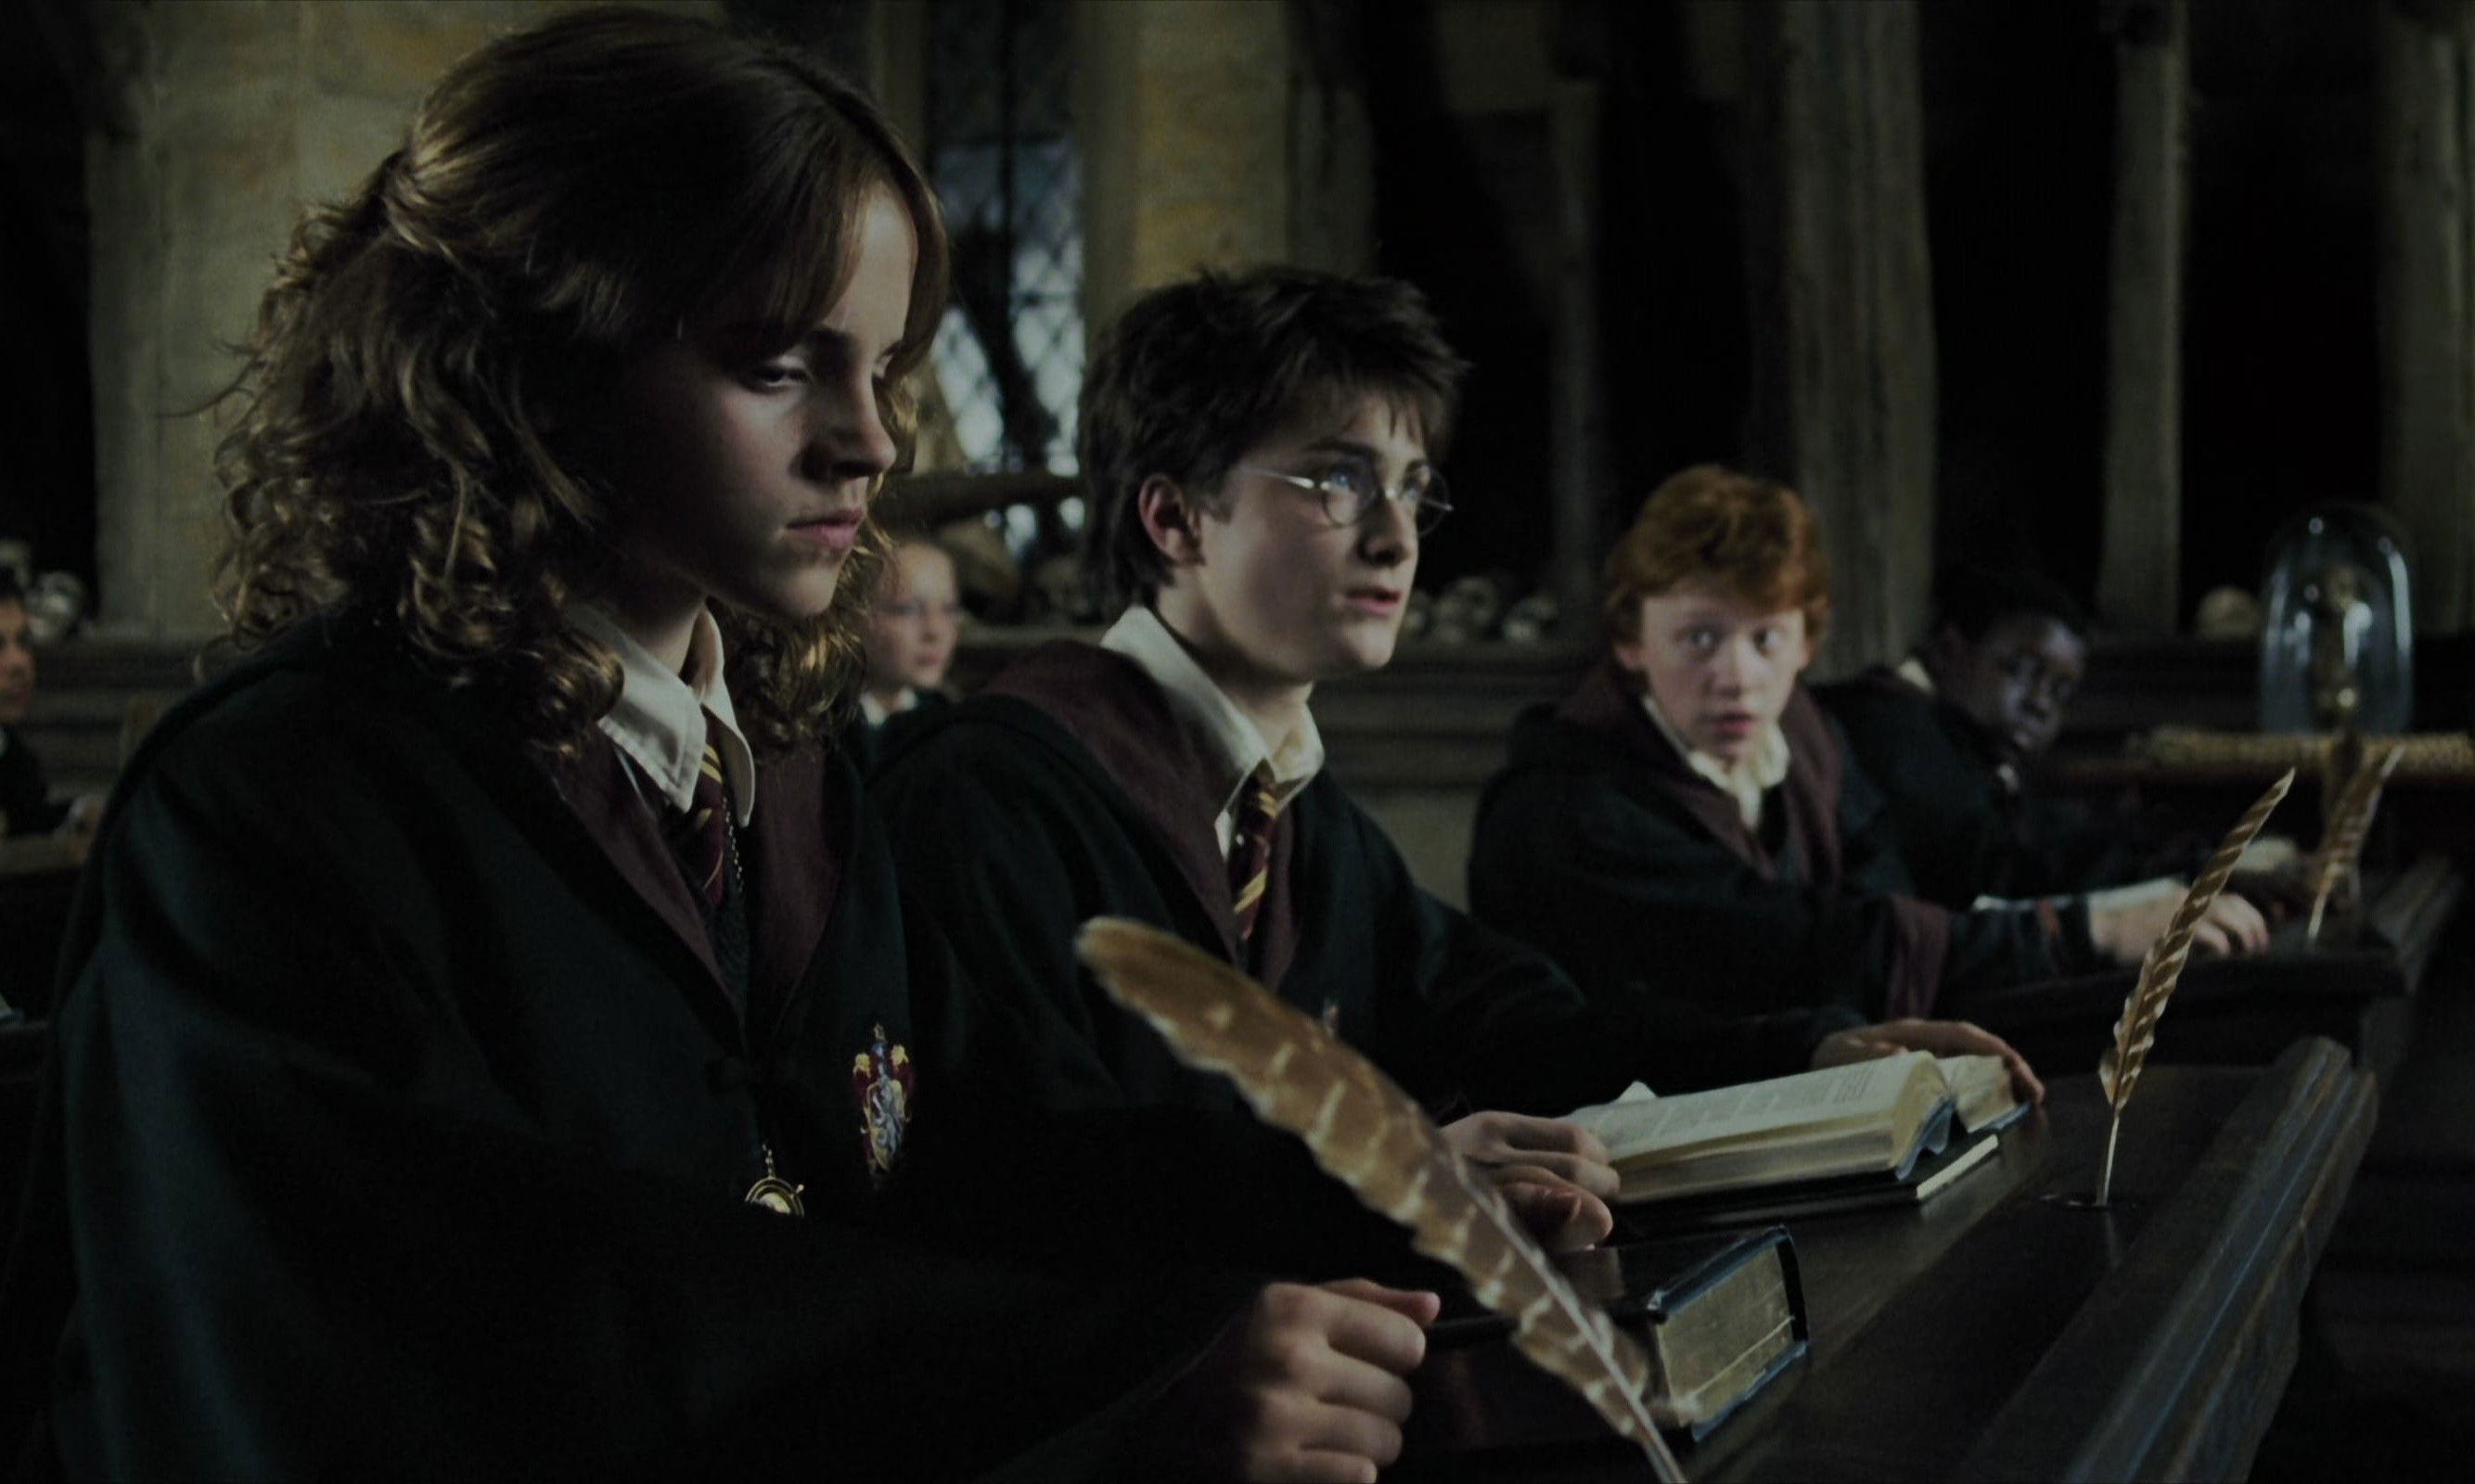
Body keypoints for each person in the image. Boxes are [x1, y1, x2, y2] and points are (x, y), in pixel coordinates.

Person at [0, 14, 1443, 1481]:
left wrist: (1404, 1185)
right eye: (778, 367)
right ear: (534, 364)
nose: (872, 443)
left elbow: (986, 1153)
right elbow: (482, 1344)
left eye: (884, 369)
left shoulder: (795, 779)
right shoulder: (281, 804)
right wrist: (1118, 1389)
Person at [872, 271, 2040, 1284]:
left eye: (1411, 487)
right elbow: (1022, 1180)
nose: (1398, 538)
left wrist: (1809, 1058)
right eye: (1337, 483)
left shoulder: (1299, 811)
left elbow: (1521, 1021)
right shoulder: (994, 793)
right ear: (1176, 518)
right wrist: (1396, 1171)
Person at [1469, 468, 2263, 1030]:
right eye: (1699, 638)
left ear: (1806, 644)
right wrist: (2084, 931)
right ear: (1632, 643)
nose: (1737, 678)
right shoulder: (1566, 806)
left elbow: (1887, 897)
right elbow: (1792, 949)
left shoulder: (1804, 741)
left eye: (1765, 639)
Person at [1817, 563, 2272, 923]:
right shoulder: (1892, 726)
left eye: (2059, 691)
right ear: (1950, 651)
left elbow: (2052, 832)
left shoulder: (1973, 748)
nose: (2039, 704)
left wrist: (2196, 860)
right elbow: (1995, 866)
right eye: (2022, 670)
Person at [839, 532, 959, 773]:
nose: (935, 631)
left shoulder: (948, 720)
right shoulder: (827, 732)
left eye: (948, 609)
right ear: (854, 617)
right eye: (907, 610)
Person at [0, 574, 87, 847]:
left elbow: (28, 820)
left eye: (24, 641)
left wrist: (77, 815)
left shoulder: (15, 759)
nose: (19, 663)